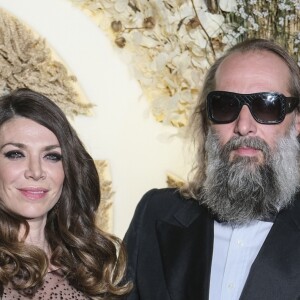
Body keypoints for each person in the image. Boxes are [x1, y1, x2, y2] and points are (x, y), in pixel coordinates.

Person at [123, 38, 300, 300]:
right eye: (225, 105)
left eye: (266, 105)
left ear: (296, 123)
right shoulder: (155, 214)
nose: (243, 126)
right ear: (207, 122)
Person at [0, 88, 131, 299]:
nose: (35, 171)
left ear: (68, 169)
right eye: (16, 154)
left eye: (52, 156)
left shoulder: (91, 266)